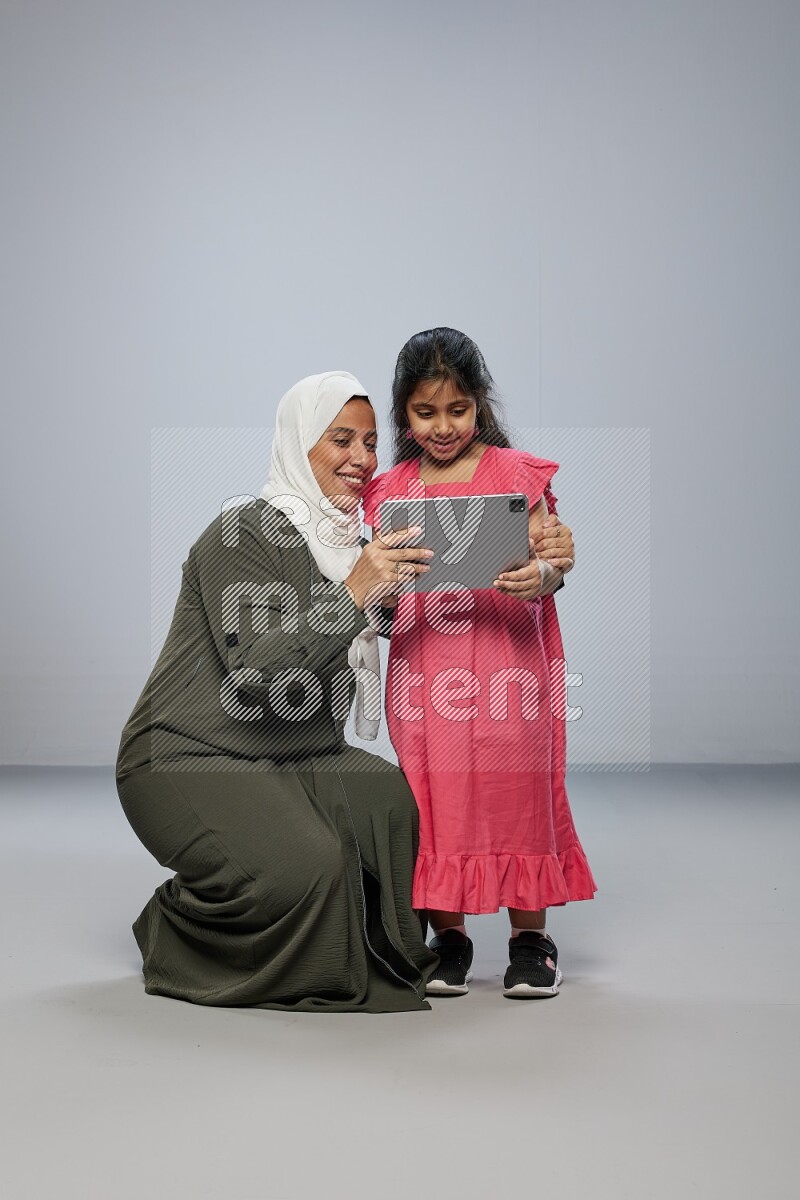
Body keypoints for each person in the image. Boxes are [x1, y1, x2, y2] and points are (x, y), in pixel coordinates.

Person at [116, 372, 444, 1013]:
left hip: (296, 750)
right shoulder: (241, 534)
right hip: (186, 756)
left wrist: (542, 564)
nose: (362, 459)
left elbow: (454, 592)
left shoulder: (358, 542)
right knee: (311, 866)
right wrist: (352, 592)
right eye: (341, 440)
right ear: (299, 444)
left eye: (372, 444)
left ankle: (361, 944)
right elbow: (259, 672)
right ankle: (175, 924)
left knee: (396, 812)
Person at [361, 329, 594, 999]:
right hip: (427, 672)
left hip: (507, 669)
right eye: (425, 412)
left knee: (515, 793)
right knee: (433, 800)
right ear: (403, 413)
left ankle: (531, 939)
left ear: (480, 405)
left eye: (457, 410)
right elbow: (378, 592)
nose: (442, 427)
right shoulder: (391, 493)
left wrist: (543, 575)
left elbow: (554, 556)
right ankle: (450, 937)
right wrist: (378, 595)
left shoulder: (516, 475)